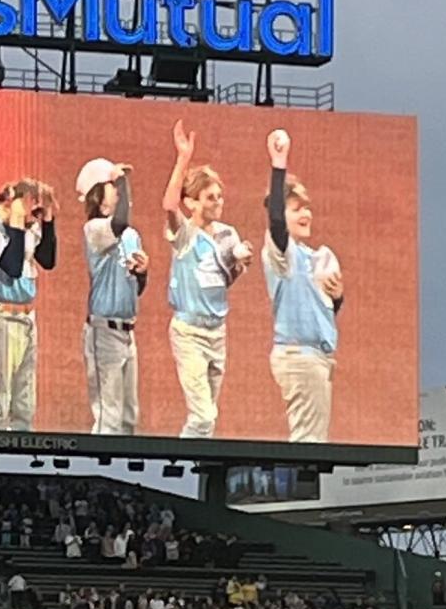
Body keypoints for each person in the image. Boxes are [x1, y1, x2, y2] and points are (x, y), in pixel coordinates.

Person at [162, 120, 253, 439]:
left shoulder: (229, 235)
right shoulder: (186, 235)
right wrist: (183, 158)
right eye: (210, 197)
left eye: (220, 197)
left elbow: (224, 280)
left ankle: (191, 459)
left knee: (208, 418)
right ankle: (182, 452)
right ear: (193, 202)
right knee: (203, 414)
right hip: (189, 332)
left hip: (218, 333)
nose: (218, 202)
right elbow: (169, 205)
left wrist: (240, 264)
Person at [261, 130, 343, 443]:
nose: (306, 214)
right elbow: (277, 226)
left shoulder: (317, 255)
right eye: (297, 208)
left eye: (307, 207)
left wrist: (338, 298)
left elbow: (324, 309)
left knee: (313, 438)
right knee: (308, 442)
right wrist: (279, 163)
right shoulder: (282, 252)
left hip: (319, 358)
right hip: (299, 354)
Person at [0, 178, 57, 431]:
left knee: (24, 408)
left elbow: (48, 260)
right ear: (10, 203)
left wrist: (49, 220)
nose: (34, 217)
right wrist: (18, 223)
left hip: (25, 320)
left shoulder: (25, 224)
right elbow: (12, 266)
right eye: (32, 207)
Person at [77, 158, 147, 435]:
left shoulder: (132, 235)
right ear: (98, 195)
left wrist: (142, 273)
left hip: (128, 331)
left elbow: (136, 288)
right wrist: (121, 179)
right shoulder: (94, 228)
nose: (117, 189)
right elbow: (119, 221)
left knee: (129, 416)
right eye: (111, 186)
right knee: (110, 415)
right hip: (103, 331)